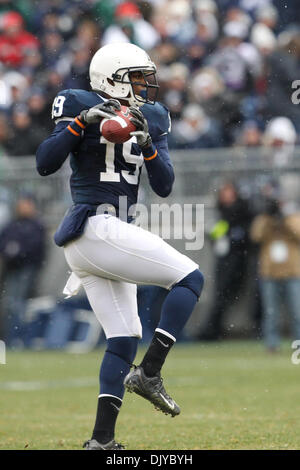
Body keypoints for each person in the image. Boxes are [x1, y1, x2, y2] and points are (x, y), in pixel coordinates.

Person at [36, 42, 204, 450]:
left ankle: (102, 442)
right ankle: (150, 372)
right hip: (95, 225)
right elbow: (45, 161)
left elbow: (164, 185)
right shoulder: (78, 102)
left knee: (123, 338)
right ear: (112, 77)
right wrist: (80, 123)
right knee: (190, 277)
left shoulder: (154, 116)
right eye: (138, 77)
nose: (147, 85)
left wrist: (147, 144)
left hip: (105, 240)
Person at [198, 181, 252, 341]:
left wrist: (233, 238)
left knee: (224, 296)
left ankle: (212, 330)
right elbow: (218, 233)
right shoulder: (223, 213)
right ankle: (212, 330)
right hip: (225, 261)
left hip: (237, 260)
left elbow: (244, 234)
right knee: (220, 296)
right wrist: (218, 236)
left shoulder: (242, 211)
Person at [250, 196, 300, 352]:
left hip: (292, 272)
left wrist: (285, 218)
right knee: (271, 313)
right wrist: (269, 218)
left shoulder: (293, 217)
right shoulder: (264, 219)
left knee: (297, 312)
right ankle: (272, 344)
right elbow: (256, 235)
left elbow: (298, 233)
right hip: (270, 273)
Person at [0, 193, 46, 348]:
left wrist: (17, 252)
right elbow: (4, 242)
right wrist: (11, 251)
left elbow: (34, 248)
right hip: (12, 270)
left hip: (27, 269)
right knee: (10, 305)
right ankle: (11, 339)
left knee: (19, 305)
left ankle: (19, 339)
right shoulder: (13, 224)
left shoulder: (36, 224)